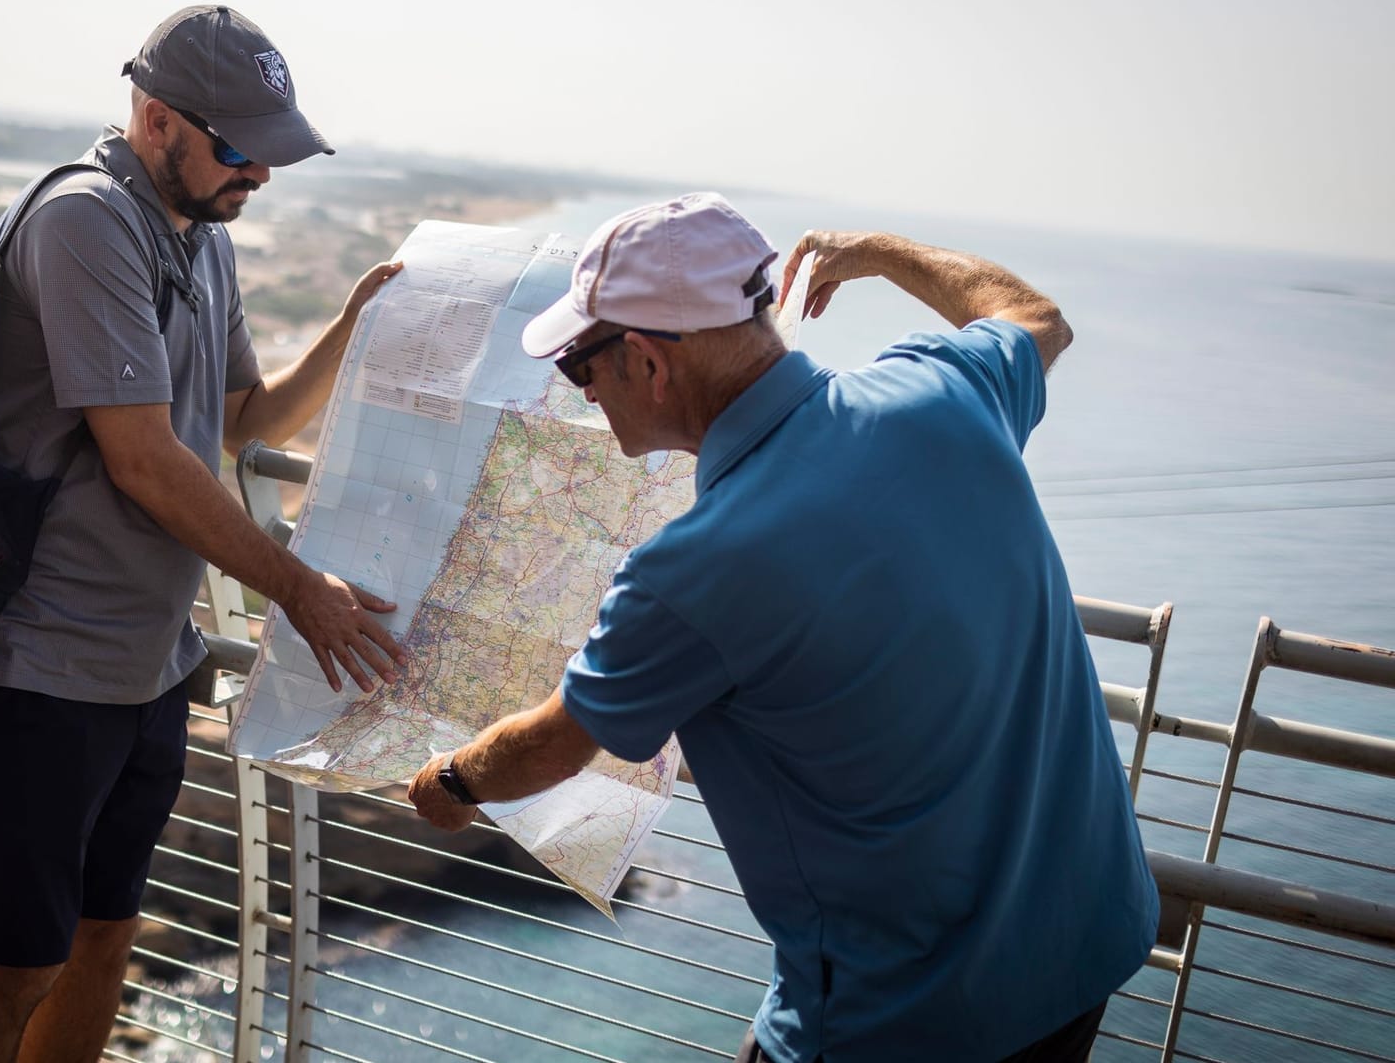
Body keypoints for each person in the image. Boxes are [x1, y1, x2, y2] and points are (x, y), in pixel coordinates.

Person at [407, 193, 1158, 1062]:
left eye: (579, 366)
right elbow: (1037, 319)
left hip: (906, 1016)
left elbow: (554, 744)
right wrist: (876, 250)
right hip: (1083, 945)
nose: (571, 387)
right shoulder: (943, 389)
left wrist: (453, 782)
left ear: (648, 363)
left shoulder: (696, 569)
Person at [0, 4, 407, 1062]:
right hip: (35, 663)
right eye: (240, 150)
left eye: (271, 154)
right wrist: (299, 587)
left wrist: (359, 317)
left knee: (103, 941)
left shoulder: (202, 236)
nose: (260, 175)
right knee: (12, 968)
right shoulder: (87, 221)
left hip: (140, 667)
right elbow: (141, 458)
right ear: (154, 122)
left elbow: (245, 421)